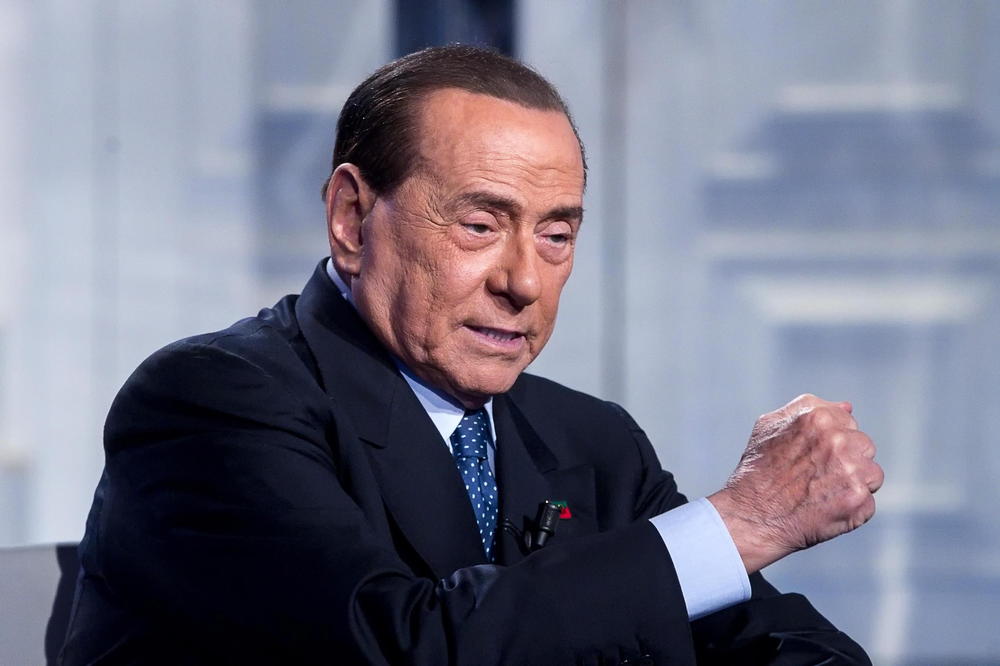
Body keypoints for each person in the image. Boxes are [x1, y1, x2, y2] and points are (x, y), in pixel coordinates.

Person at [60, 45, 883, 665]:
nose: (524, 281)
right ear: (351, 219)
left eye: (556, 235)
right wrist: (744, 520)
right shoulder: (212, 405)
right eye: (481, 225)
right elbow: (404, 646)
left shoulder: (591, 442)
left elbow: (776, 642)